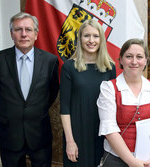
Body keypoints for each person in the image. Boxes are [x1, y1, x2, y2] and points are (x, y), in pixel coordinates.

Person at [0, 12, 59, 166]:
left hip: (40, 135)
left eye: (28, 29)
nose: (24, 34)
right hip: (10, 135)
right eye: (18, 29)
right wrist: (9, 111)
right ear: (11, 34)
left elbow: (52, 92)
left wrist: (35, 110)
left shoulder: (50, 61)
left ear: (36, 34)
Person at [97, 38, 150, 167]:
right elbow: (109, 129)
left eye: (139, 57)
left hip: (148, 161)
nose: (134, 62)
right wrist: (132, 162)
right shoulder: (109, 88)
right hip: (116, 160)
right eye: (129, 56)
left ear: (146, 61)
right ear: (121, 60)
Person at [60, 19, 116, 167]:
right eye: (86, 36)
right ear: (80, 39)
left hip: (102, 134)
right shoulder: (69, 67)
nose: (91, 40)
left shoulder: (110, 68)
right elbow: (64, 108)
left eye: (96, 36)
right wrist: (70, 141)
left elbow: (113, 106)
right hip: (77, 134)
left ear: (101, 40)